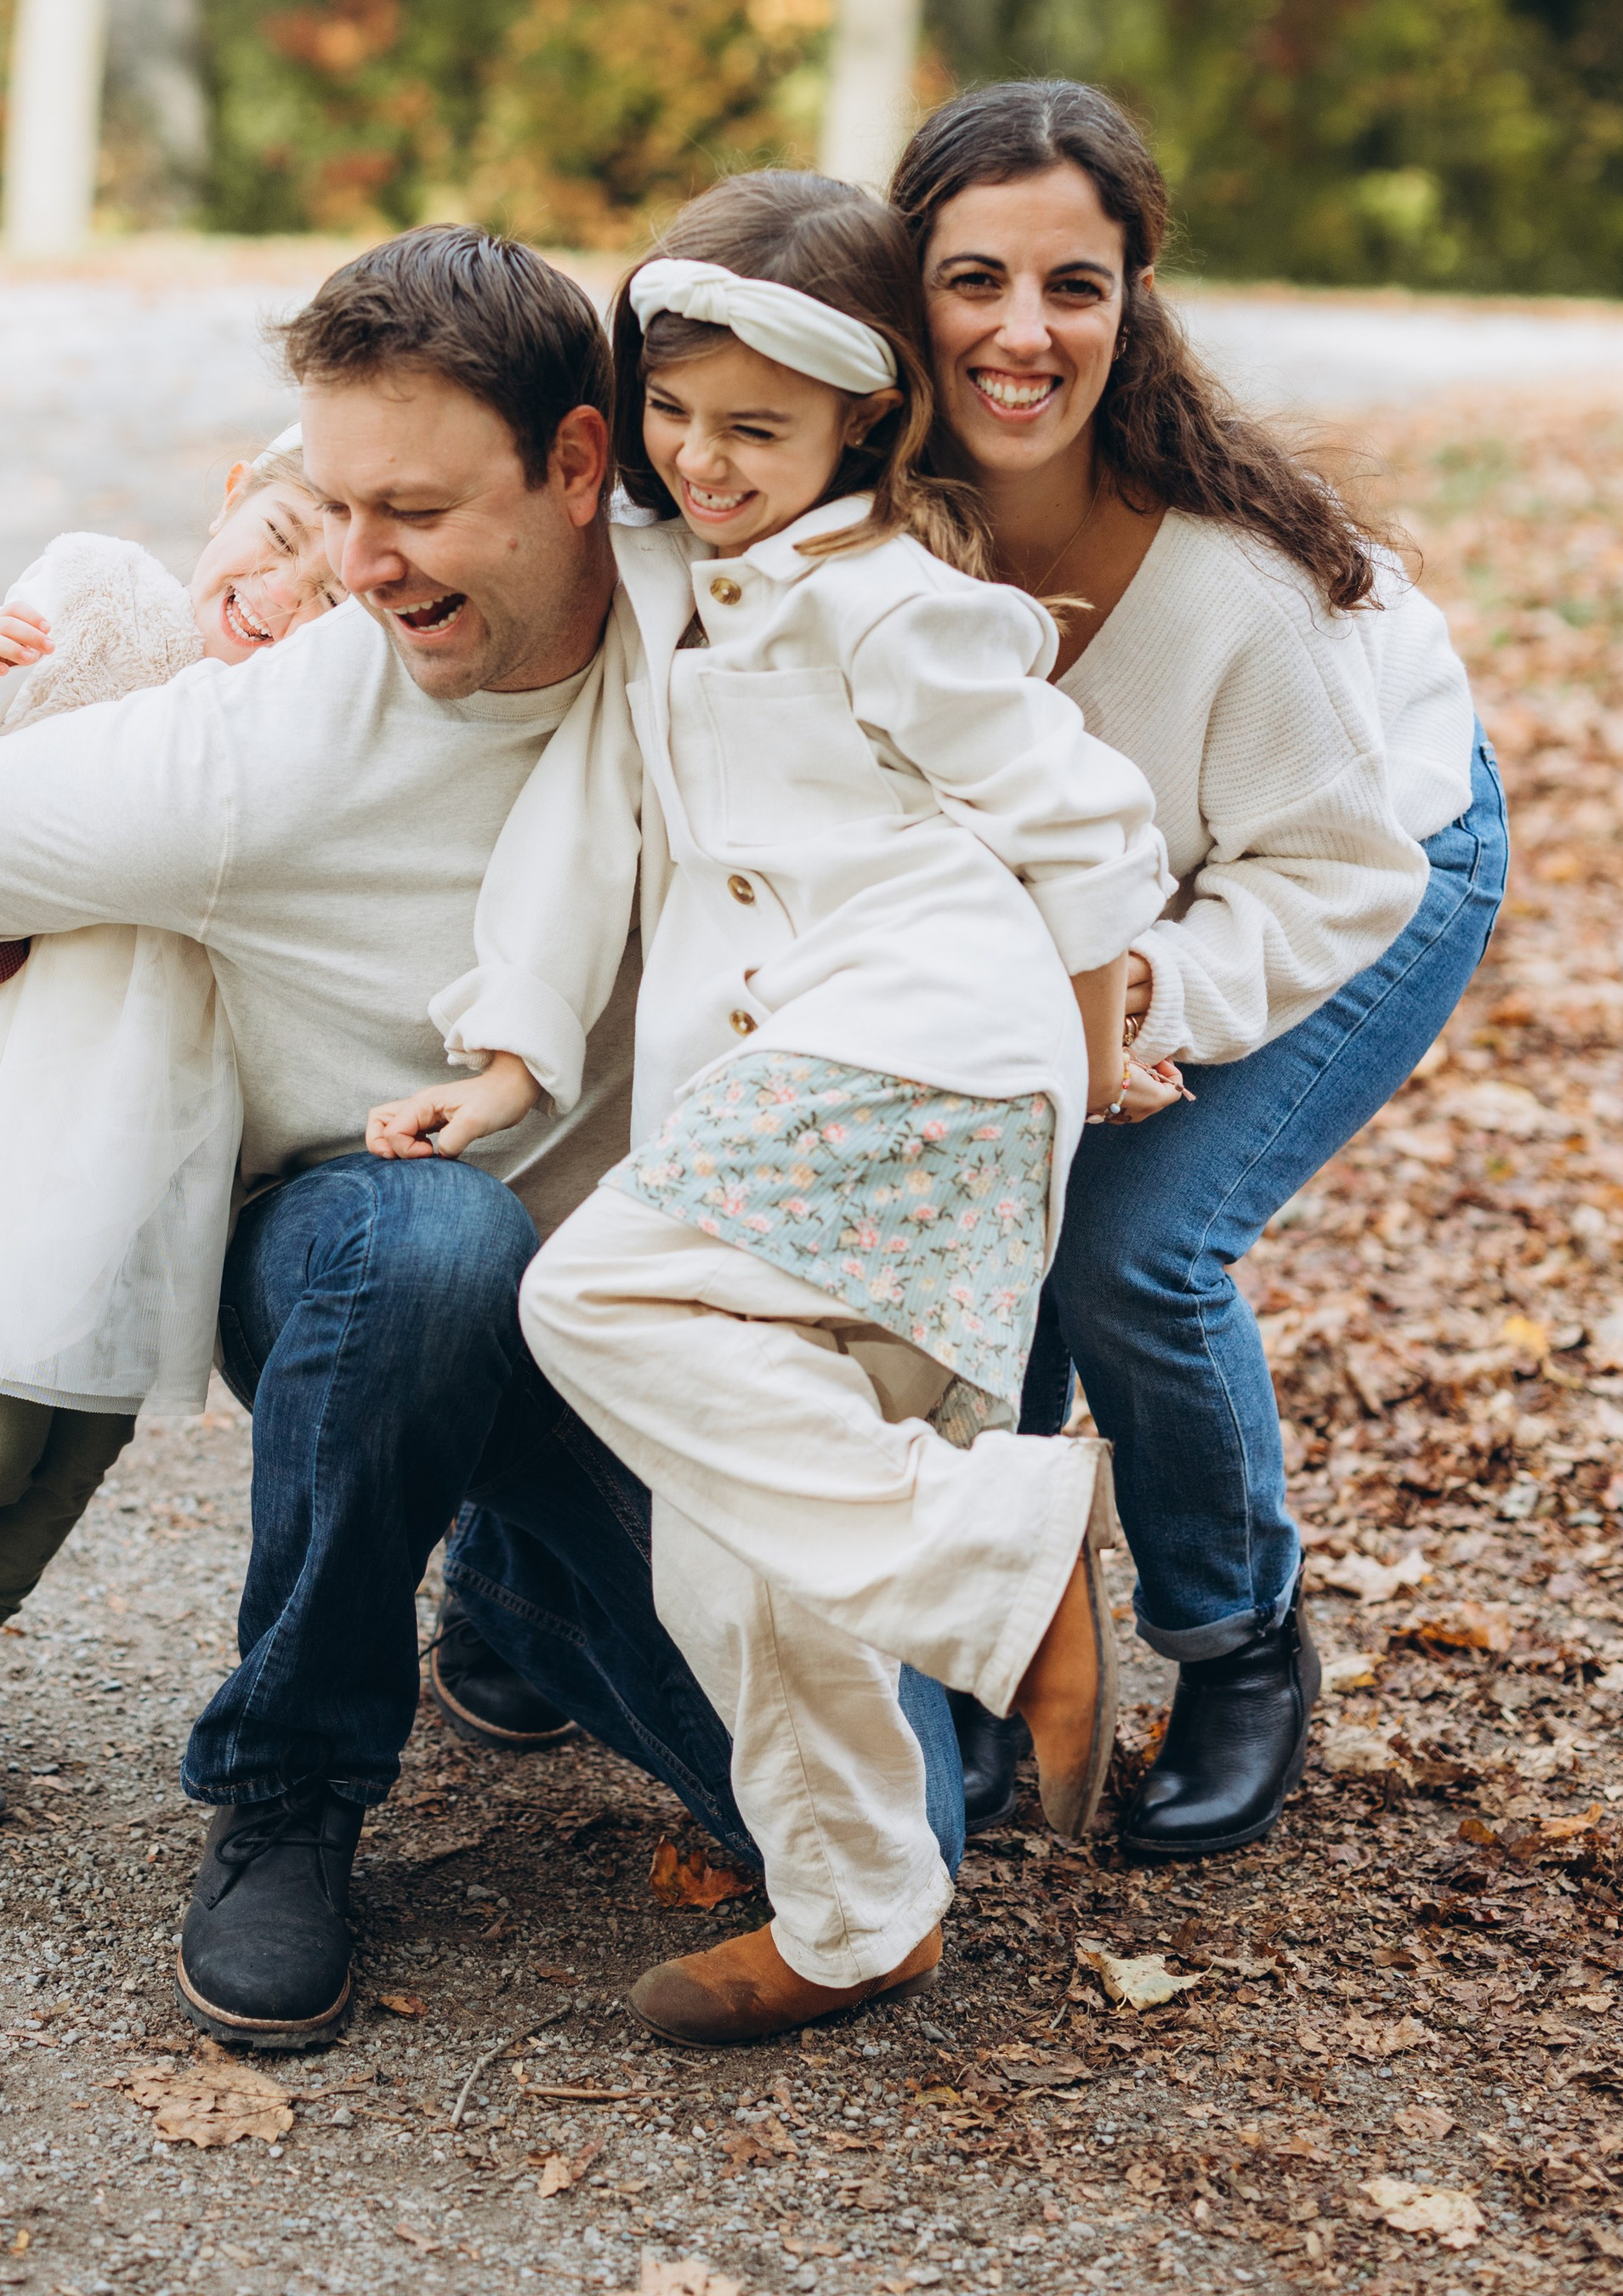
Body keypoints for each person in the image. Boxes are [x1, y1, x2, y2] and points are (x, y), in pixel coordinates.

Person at [0, 226, 971, 2053]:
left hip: (643, 1307)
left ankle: (505, 1580)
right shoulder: (254, 747)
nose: (357, 564)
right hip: (353, 1263)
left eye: (409, 506)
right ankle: (290, 1791)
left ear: (580, 467)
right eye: (330, 507)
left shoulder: (722, 619)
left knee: (888, 1832)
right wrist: (44, 890)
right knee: (432, 1250)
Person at [369, 173, 1182, 2048]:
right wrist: (512, 1048)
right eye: (676, 414)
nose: (704, 459)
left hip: (922, 1056)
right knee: (731, 1559)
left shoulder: (898, 606)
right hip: (790, 1095)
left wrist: (1075, 1059)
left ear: (858, 420)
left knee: (582, 1298)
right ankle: (857, 1915)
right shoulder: (658, 581)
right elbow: (593, 821)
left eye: (756, 428)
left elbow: (1082, 833)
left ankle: (1002, 1551)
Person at [888, 81, 1507, 1858]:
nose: (1020, 332)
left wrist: (1149, 991)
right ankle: (988, 1647)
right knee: (972, 1224)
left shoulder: (1231, 583)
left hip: (1366, 851)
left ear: (1129, 300)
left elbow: (1330, 867)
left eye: (1071, 286)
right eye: (973, 279)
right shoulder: (863, 511)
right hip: (1086, 918)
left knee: (1124, 1246)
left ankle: (1235, 1643)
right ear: (900, 287)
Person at [0, 437, 347, 1835]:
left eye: (329, 591)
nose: (278, 595)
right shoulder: (117, 611)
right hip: (50, 1090)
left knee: (78, 1444)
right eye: (273, 537)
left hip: (181, 1126)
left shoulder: (308, 727)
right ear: (226, 493)